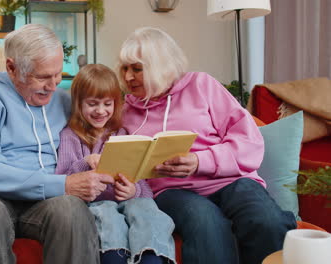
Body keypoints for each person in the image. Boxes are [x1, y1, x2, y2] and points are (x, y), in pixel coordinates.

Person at [117, 27, 297, 264]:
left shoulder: (202, 85)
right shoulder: (125, 112)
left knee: (267, 221)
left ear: (160, 65)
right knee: (206, 222)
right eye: (125, 68)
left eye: (137, 69)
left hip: (232, 180)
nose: (128, 77)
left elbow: (249, 142)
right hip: (171, 191)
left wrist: (200, 161)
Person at [0, 24, 115, 264]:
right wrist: (63, 184)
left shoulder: (63, 100)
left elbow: (102, 128)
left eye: (58, 74)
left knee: (72, 212)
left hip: (44, 203)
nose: (54, 86)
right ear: (12, 68)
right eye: (43, 77)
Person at [55, 63, 175, 264]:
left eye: (107, 104)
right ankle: (114, 257)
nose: (101, 111)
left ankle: (151, 257)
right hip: (96, 206)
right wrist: (85, 163)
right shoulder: (70, 136)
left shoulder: (121, 135)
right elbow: (62, 182)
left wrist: (133, 190)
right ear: (78, 104)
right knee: (107, 212)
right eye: (92, 104)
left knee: (144, 207)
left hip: (128, 203)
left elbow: (145, 189)